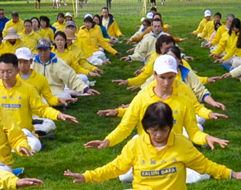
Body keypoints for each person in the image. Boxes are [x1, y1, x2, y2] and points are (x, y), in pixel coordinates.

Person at [69, 101, 241, 190]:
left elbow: (205, 165)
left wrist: (232, 174)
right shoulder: (136, 144)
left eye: (163, 130)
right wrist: (87, 176)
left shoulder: (182, 144)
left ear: (170, 127)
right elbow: (115, 167)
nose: (158, 135)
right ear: (146, 127)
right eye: (154, 130)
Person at [89, 55, 223, 150]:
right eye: (162, 77)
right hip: (147, 148)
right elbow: (125, 127)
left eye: (171, 77)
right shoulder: (142, 98)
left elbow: (193, 131)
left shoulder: (184, 100)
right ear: (154, 74)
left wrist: (206, 138)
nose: (167, 82)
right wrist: (107, 141)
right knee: (124, 177)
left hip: (173, 148)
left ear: (176, 74)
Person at [0, 53, 76, 152]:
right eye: (2, 72)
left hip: (22, 133)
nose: (5, 75)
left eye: (9, 72)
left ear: (17, 71)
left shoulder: (28, 89)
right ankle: (14, 148)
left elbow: (42, 109)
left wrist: (58, 115)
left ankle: (13, 147)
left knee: (35, 145)